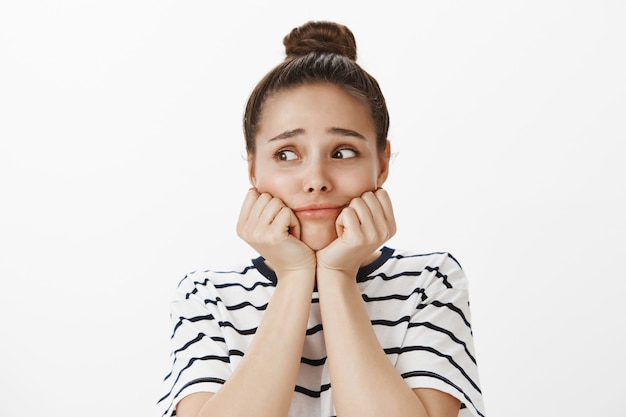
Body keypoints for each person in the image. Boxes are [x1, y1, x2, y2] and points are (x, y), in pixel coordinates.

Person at [156, 20, 485, 417]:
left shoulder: (430, 280)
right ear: (253, 169)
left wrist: (337, 276)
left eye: (343, 151)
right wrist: (295, 276)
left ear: (381, 164)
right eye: (286, 154)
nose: (316, 181)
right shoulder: (207, 296)